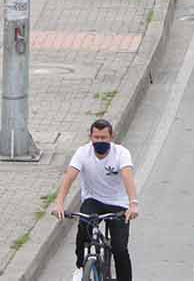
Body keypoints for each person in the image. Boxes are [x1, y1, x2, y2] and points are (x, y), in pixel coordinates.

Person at [50, 118, 139, 281]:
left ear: (111, 137)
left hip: (118, 203)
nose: (99, 141)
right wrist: (59, 203)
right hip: (93, 200)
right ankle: (80, 267)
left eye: (103, 138)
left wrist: (133, 204)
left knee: (119, 248)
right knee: (83, 230)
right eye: (96, 137)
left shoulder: (121, 153)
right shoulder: (83, 153)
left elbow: (128, 177)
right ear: (90, 137)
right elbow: (69, 177)